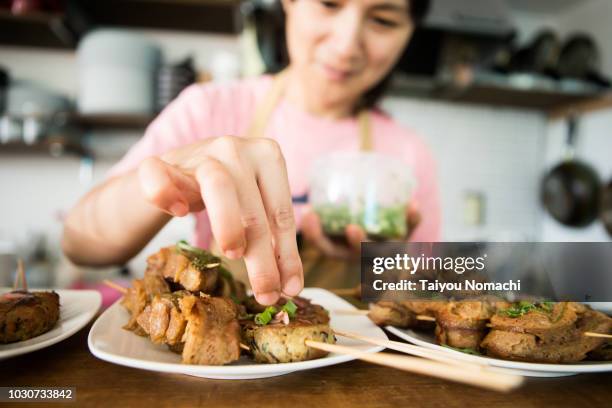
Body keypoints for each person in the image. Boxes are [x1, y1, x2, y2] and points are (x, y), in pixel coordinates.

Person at [62, 0, 440, 305]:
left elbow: (426, 294)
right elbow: (79, 244)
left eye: (384, 20)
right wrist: (173, 173)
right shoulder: (210, 108)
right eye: (329, 4)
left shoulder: (407, 152)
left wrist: (385, 260)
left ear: (409, 32)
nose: (346, 44)